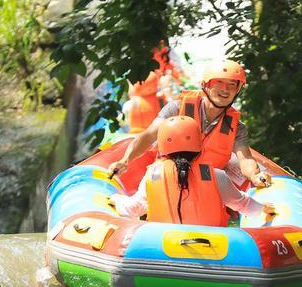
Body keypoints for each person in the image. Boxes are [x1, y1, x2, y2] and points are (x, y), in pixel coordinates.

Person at [109, 58, 270, 189]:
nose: (225, 89)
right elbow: (148, 136)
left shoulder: (237, 127)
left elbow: (245, 159)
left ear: (237, 90)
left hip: (207, 183)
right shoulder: (177, 108)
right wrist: (125, 160)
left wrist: (255, 176)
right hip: (169, 176)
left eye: (232, 85)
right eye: (219, 83)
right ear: (205, 85)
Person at [109, 116, 274, 225]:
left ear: (162, 146)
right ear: (199, 145)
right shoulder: (216, 176)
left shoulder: (153, 176)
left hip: (161, 249)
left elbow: (133, 208)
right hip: (215, 250)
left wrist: (117, 199)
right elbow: (243, 204)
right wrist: (264, 208)